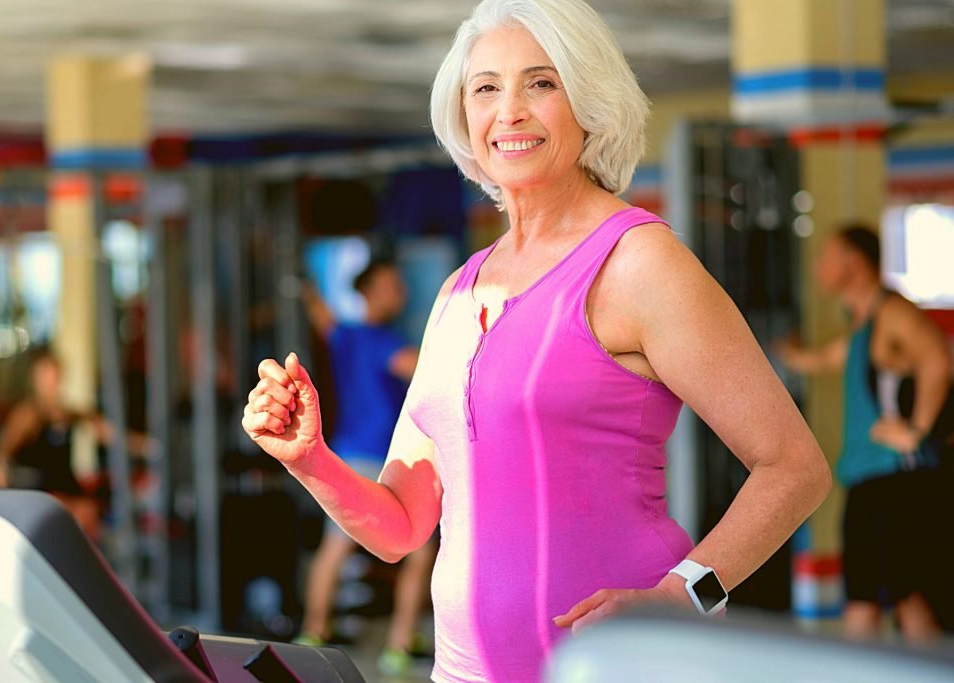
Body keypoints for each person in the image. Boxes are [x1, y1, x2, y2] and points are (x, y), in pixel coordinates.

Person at [243, 1, 831, 680]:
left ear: (589, 100)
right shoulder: (457, 293)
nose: (510, 110)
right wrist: (309, 457)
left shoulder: (639, 264)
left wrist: (683, 594)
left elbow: (794, 466)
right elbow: (401, 524)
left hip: (619, 666)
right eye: (486, 87)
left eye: (541, 83)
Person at [778, 225, 954, 642]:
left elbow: (937, 362)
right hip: (870, 485)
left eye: (828, 256)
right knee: (876, 603)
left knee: (903, 606)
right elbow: (818, 359)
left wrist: (917, 431)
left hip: (898, 482)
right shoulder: (863, 328)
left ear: (853, 264)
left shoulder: (894, 313)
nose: (819, 266)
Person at [295, 261, 437, 676]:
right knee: (418, 550)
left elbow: (322, 317)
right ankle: (397, 645)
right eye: (393, 285)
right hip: (383, 457)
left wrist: (307, 292)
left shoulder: (344, 335)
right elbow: (428, 373)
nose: (401, 293)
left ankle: (314, 631)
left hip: (350, 452)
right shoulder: (383, 340)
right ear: (370, 291)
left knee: (335, 548)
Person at [0, 348, 153, 541]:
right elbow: (5, 446)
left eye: (54, 377)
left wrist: (145, 446)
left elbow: (106, 432)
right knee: (80, 514)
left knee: (90, 514)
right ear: (36, 380)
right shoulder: (28, 415)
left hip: (67, 486)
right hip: (42, 492)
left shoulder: (67, 413)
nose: (51, 383)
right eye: (46, 378)